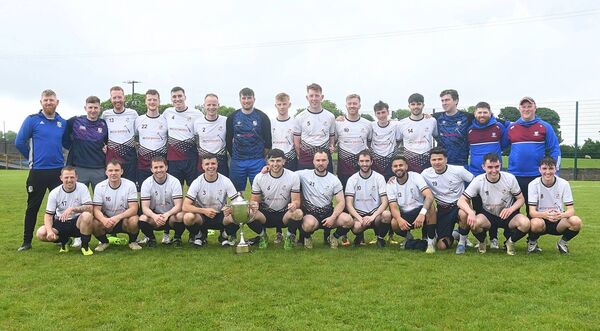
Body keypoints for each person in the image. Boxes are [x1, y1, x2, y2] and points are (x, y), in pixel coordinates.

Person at [15, 89, 67, 251]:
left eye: (51, 100)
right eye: (46, 100)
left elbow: (67, 143)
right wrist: (32, 160)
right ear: (41, 102)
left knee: (60, 207)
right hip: (37, 171)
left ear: (57, 102)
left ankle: (61, 238)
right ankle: (26, 241)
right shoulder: (32, 120)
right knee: (33, 206)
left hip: (58, 171)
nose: (49, 102)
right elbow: (19, 142)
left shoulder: (62, 122)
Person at [458, 153, 530, 255]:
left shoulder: (510, 178)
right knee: (474, 224)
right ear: (483, 167)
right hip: (488, 215)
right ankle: (482, 241)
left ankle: (510, 242)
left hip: (507, 214)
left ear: (500, 165)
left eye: (497, 167)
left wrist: (510, 209)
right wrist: (470, 212)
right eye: (490, 167)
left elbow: (520, 199)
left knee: (525, 223)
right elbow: (461, 200)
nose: (494, 170)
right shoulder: (478, 180)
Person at [507, 96, 561, 219]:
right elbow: (499, 145)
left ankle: (532, 238)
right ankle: (510, 237)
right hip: (514, 175)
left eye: (529, 106)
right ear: (519, 109)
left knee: (534, 209)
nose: (526, 109)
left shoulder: (545, 126)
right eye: (523, 106)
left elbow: (555, 149)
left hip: (536, 175)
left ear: (535, 108)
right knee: (512, 208)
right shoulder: (511, 128)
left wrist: (555, 171)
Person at [467, 101, 510, 249]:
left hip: (494, 174)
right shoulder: (470, 129)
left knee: (495, 206)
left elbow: (504, 144)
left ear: (490, 113)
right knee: (479, 208)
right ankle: (482, 239)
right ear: (475, 114)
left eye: (485, 112)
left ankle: (494, 238)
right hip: (476, 174)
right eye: (479, 112)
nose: (482, 115)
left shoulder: (498, 127)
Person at [247, 149, 303, 249]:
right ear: (267, 162)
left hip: (284, 214)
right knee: (247, 213)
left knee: (298, 213)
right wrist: (254, 204)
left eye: (278, 161)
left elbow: (296, 201)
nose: (275, 164)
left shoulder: (293, 176)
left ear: (284, 161)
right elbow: (254, 200)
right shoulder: (259, 177)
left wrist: (294, 204)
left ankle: (289, 238)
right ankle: (262, 236)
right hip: (266, 215)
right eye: (272, 161)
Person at [296, 150, 353, 249]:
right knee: (308, 224)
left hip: (328, 214)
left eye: (323, 160)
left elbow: (341, 202)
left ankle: (333, 237)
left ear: (328, 162)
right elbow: (285, 174)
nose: (320, 163)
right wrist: (267, 169)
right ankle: (307, 237)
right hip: (311, 215)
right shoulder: (304, 174)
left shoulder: (334, 179)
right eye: (318, 160)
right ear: (313, 161)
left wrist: (333, 217)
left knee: (348, 220)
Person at [421, 147, 473, 252]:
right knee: (442, 246)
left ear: (446, 160)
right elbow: (413, 181)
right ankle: (455, 235)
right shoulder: (426, 174)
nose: (437, 162)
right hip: (443, 209)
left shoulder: (458, 170)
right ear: (430, 161)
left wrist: (468, 199)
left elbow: (475, 182)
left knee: (464, 214)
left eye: (440, 159)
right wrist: (394, 178)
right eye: (434, 160)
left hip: (459, 205)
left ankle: (462, 242)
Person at [182, 154, 240, 247]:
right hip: (203, 217)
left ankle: (224, 236)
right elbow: (185, 206)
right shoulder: (197, 182)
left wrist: (230, 208)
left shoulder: (225, 181)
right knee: (187, 217)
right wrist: (204, 211)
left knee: (238, 216)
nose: (210, 166)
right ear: (202, 166)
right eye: (207, 164)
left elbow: (238, 202)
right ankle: (199, 236)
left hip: (221, 215)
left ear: (217, 164)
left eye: (213, 163)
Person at [528, 157, 582, 254]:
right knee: (535, 224)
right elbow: (532, 212)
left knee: (576, 221)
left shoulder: (564, 184)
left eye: (551, 168)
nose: (547, 172)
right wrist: (545, 215)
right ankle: (532, 243)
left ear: (556, 169)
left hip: (558, 220)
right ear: (539, 169)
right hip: (541, 220)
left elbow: (571, 210)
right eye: (544, 168)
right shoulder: (533, 184)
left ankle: (562, 243)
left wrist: (561, 215)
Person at [35, 166, 94, 255]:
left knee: (87, 215)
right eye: (66, 177)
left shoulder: (82, 188)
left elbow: (89, 207)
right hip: (61, 222)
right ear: (61, 178)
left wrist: (72, 209)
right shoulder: (54, 193)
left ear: (76, 177)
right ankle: (64, 241)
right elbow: (48, 215)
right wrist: (50, 231)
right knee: (41, 233)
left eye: (72, 177)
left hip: (77, 223)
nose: (69, 180)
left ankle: (85, 246)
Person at [387, 155, 437, 253]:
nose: (398, 168)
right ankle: (408, 237)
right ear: (392, 169)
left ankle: (430, 242)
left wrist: (422, 214)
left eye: (401, 165)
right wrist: (399, 219)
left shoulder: (416, 176)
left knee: (431, 207)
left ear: (406, 166)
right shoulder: (390, 184)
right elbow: (393, 206)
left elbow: (429, 196)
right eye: (395, 166)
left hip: (419, 210)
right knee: (394, 222)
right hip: (405, 213)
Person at [226, 88, 272, 194]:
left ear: (254, 99)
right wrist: (235, 155)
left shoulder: (262, 117)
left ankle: (258, 211)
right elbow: (228, 140)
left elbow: (268, 141)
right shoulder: (232, 117)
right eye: (244, 98)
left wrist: (260, 155)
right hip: (238, 160)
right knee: (236, 193)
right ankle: (239, 210)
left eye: (249, 98)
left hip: (257, 160)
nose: (246, 101)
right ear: (240, 100)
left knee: (260, 191)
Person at [92, 160, 142, 251]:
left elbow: (134, 208)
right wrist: (104, 219)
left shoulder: (130, 185)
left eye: (116, 170)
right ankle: (104, 242)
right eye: (110, 171)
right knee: (94, 222)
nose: (113, 173)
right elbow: (96, 209)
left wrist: (118, 218)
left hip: (123, 219)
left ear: (121, 171)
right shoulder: (99, 186)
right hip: (107, 220)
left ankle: (132, 241)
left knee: (134, 220)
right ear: (106, 172)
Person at [344, 150, 390, 248]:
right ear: (358, 162)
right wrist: (360, 218)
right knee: (356, 227)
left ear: (371, 162)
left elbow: (385, 202)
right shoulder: (352, 179)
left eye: (367, 161)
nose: (364, 164)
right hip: (359, 215)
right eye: (362, 161)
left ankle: (380, 238)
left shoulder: (379, 177)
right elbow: (348, 204)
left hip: (375, 215)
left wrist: (372, 217)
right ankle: (359, 237)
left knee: (387, 215)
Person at [138, 157, 185, 248]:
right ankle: (151, 239)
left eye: (161, 167)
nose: (159, 170)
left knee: (181, 216)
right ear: (151, 169)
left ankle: (177, 238)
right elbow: (144, 208)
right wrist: (154, 216)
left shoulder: (174, 181)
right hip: (155, 218)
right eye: (155, 168)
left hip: (171, 216)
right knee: (143, 218)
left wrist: (167, 215)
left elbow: (179, 206)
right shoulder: (146, 183)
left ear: (166, 167)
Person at [270, 92, 298, 243]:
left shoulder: (295, 122)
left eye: (284, 104)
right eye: (279, 104)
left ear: (289, 104)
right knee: (276, 193)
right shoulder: (271, 123)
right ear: (276, 105)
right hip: (275, 163)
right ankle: (278, 231)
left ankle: (291, 231)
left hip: (291, 160)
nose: (282, 107)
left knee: (290, 195)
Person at [64, 96, 108, 190]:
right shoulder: (75, 121)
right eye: (90, 107)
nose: (93, 110)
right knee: (78, 200)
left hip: (99, 168)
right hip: (79, 168)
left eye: (96, 107)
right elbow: (64, 139)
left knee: (101, 200)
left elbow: (107, 142)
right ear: (85, 108)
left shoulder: (104, 124)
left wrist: (107, 148)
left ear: (100, 108)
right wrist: (74, 148)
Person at [163, 86, 203, 187]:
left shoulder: (197, 114)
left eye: (180, 96)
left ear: (185, 97)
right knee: (175, 191)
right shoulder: (167, 112)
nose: (177, 99)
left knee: (194, 190)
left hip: (191, 158)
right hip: (173, 160)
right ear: (171, 99)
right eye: (174, 97)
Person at [293, 83, 335, 172]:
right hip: (305, 158)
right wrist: (301, 156)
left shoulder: (330, 116)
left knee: (326, 184)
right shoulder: (300, 117)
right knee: (304, 185)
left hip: (324, 157)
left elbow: (332, 137)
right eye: (311, 96)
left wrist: (331, 146)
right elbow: (296, 141)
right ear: (307, 97)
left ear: (322, 97)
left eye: (317, 95)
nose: (314, 98)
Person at [101, 86, 138, 183]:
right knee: (112, 185)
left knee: (130, 185)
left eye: (119, 97)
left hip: (129, 156)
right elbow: (101, 133)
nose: (117, 100)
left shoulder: (133, 113)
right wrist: (103, 145)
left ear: (124, 98)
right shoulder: (105, 114)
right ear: (111, 99)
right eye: (114, 98)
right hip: (112, 155)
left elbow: (139, 132)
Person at [334, 94, 372, 188]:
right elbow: (333, 143)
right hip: (344, 168)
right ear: (346, 105)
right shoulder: (338, 123)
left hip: (362, 167)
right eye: (349, 103)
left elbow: (369, 144)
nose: (352, 105)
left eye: (355, 103)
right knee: (346, 197)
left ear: (359, 105)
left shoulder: (368, 124)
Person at [396, 93, 438, 174]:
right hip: (409, 163)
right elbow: (397, 142)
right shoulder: (401, 123)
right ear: (409, 106)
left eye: (419, 104)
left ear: (423, 105)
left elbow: (437, 137)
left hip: (427, 162)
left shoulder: (432, 121)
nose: (416, 107)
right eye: (413, 104)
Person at [135, 89, 168, 188]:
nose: (152, 102)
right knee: (143, 192)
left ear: (159, 101)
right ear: (145, 101)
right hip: (143, 163)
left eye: (155, 99)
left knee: (162, 192)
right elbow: (133, 136)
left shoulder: (165, 120)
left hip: (160, 164)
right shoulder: (138, 120)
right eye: (149, 100)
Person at [432, 89, 472, 166]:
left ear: (456, 101)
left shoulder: (467, 117)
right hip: (442, 164)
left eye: (447, 100)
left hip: (461, 164)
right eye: (442, 101)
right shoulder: (437, 117)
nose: (444, 103)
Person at [194, 93, 228, 176]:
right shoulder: (197, 122)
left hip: (221, 161)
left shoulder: (225, 121)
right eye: (208, 105)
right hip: (204, 161)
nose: (211, 107)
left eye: (214, 105)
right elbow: (196, 140)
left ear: (218, 105)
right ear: (204, 106)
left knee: (222, 187)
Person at [370, 100, 400, 180]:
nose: (381, 115)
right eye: (378, 113)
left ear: (388, 112)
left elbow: (398, 140)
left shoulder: (396, 125)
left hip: (390, 161)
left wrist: (425, 115)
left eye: (383, 112)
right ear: (375, 114)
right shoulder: (370, 126)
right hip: (375, 162)